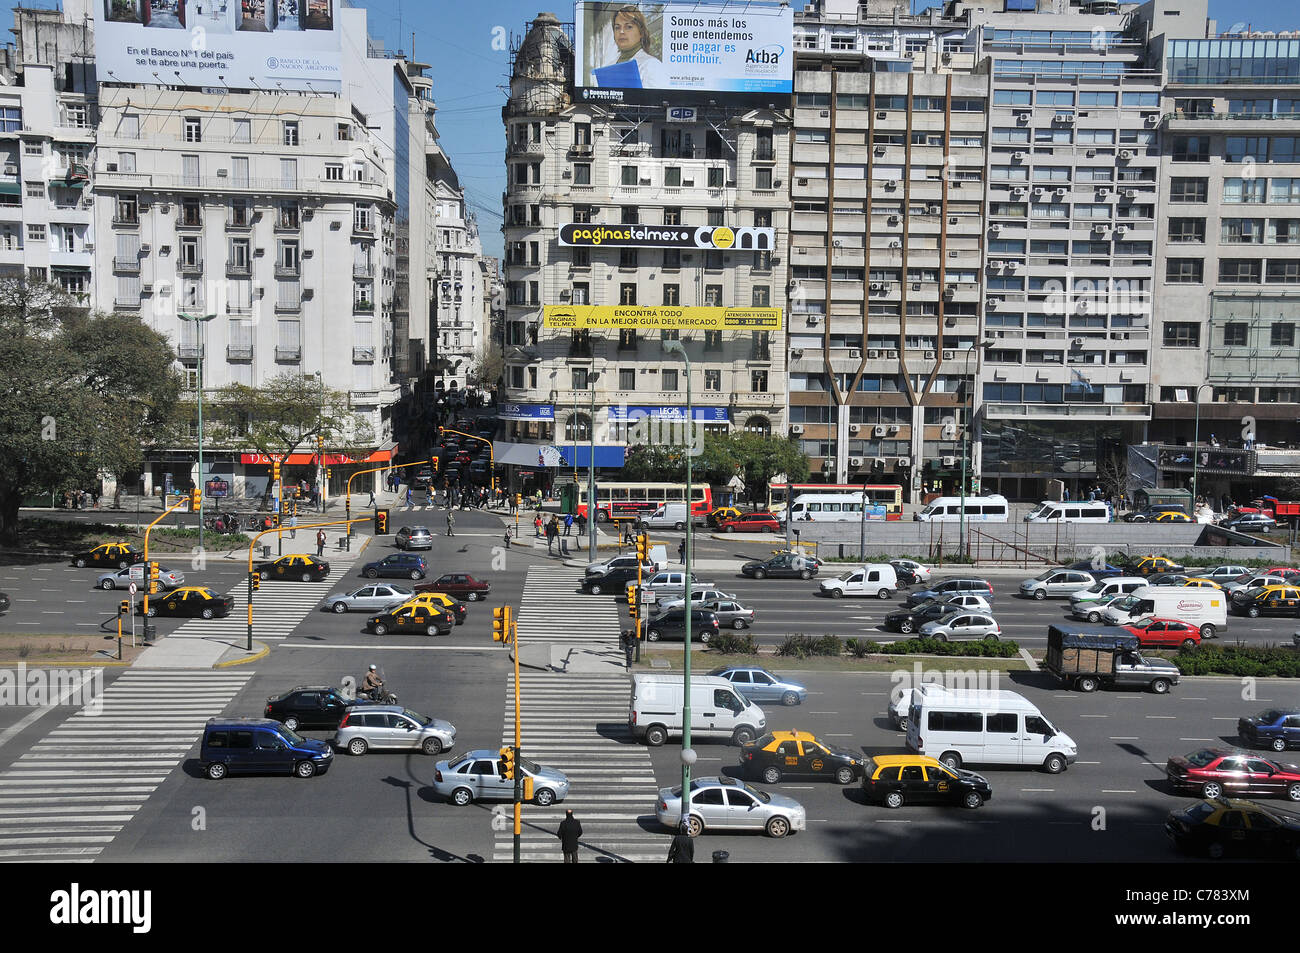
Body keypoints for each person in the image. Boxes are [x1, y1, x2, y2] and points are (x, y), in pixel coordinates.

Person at [595, 5, 668, 89]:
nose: (621, 32)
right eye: (617, 27)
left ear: (641, 32)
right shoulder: (608, 66)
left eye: (628, 27)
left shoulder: (652, 65)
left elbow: (655, 100)